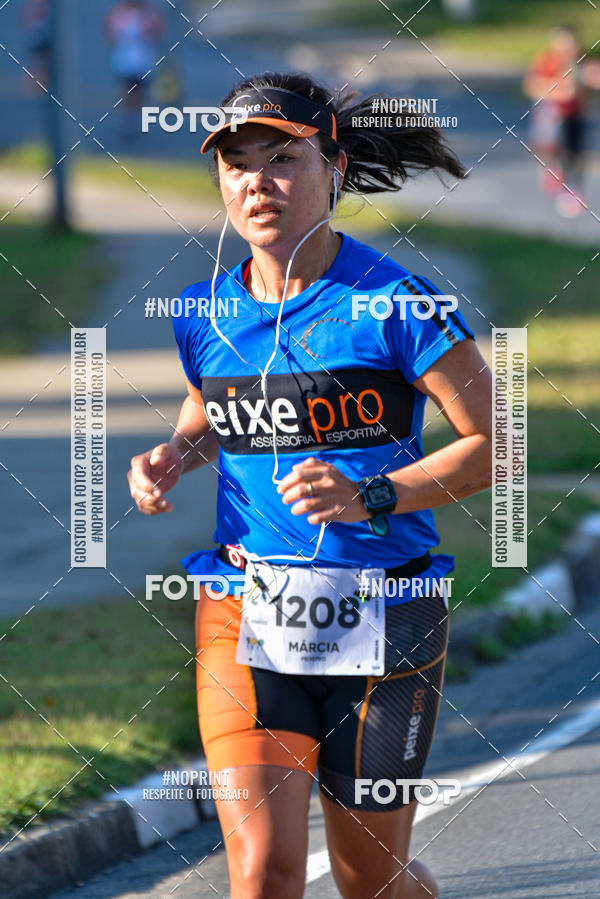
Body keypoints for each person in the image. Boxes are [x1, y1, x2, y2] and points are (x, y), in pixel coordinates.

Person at [128, 71, 493, 898]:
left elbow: (492, 449)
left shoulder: (400, 305)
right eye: (237, 164)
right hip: (244, 608)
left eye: (282, 158)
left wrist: (373, 495)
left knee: (372, 881)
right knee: (263, 875)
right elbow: (209, 409)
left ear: (331, 164)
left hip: (387, 613)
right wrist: (173, 457)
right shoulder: (203, 312)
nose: (258, 181)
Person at [523, 24, 600, 217]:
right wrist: (558, 90)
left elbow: (593, 81)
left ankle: (573, 189)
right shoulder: (546, 61)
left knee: (576, 154)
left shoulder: (583, 62)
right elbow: (532, 86)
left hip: (578, 115)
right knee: (557, 153)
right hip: (553, 116)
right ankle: (561, 185)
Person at [103, 0, 165, 135]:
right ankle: (127, 121)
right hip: (124, 62)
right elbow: (108, 32)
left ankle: (134, 121)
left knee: (139, 94)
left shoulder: (149, 13)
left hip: (143, 62)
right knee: (127, 92)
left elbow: (158, 32)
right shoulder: (118, 12)